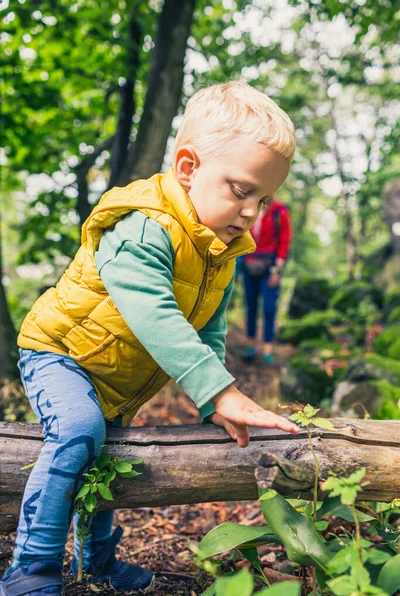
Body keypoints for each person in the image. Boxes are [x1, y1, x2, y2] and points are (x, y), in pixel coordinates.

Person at [1, 81, 299, 596]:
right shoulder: (144, 226)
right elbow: (153, 314)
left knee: (109, 458)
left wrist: (214, 402)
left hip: (117, 375)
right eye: (241, 189)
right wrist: (221, 389)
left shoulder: (218, 248)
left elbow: (209, 326)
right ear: (188, 169)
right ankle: (32, 566)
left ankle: (97, 561)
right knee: (78, 430)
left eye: (265, 198)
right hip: (60, 353)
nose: (253, 211)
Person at [239, 197, 292, 364]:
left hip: (270, 266)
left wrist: (277, 269)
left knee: (269, 308)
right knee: (251, 306)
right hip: (249, 265)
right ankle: (250, 346)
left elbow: (284, 240)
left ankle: (268, 350)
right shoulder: (249, 206)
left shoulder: (279, 211)